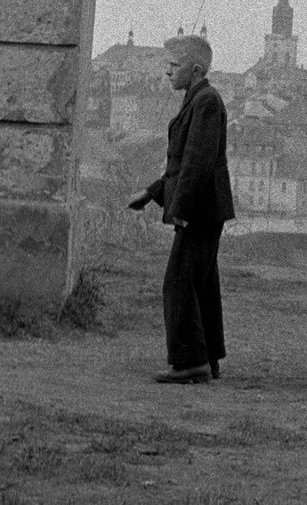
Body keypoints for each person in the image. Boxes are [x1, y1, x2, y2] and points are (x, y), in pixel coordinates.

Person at [128, 32, 235, 384]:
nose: (166, 72)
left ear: (196, 69)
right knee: (201, 284)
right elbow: (182, 163)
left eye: (174, 66)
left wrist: (181, 208)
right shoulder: (198, 99)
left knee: (178, 282)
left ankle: (191, 362)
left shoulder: (205, 102)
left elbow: (197, 163)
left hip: (200, 211)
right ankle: (208, 359)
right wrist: (152, 192)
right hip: (204, 209)